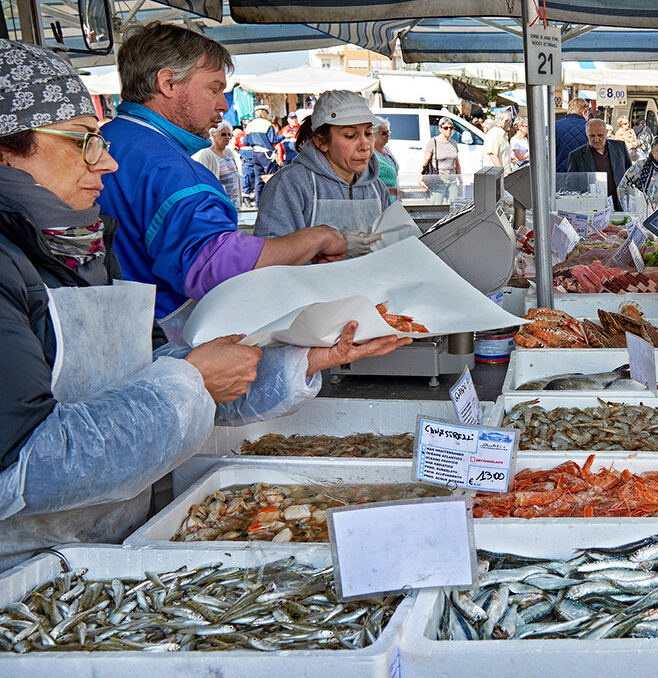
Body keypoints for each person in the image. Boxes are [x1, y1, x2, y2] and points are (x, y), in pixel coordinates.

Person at [0, 40, 406, 568]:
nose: (107, 162)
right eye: (83, 141)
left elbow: (138, 373)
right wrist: (191, 378)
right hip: (21, 585)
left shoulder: (76, 246)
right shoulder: (20, 257)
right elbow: (25, 463)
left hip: (97, 558)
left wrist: (304, 361)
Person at [99, 23, 348, 322]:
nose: (222, 105)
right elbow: (215, 266)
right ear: (167, 83)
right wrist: (315, 239)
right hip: (157, 339)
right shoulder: (172, 170)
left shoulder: (106, 140)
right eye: (214, 89)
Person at [255, 90, 412, 252]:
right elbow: (268, 256)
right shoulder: (290, 185)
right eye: (351, 135)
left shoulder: (377, 189)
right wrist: (324, 248)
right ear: (321, 141)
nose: (365, 146)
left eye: (367, 133)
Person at [565, 118, 633, 211]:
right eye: (592, 136)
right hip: (592, 207)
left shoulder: (620, 147)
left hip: (619, 204)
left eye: (600, 135)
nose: (596, 139)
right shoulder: (576, 156)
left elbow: (630, 173)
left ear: (606, 133)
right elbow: (571, 187)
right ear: (587, 135)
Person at [192, 121, 242, 205]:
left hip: (234, 203)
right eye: (223, 134)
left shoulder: (229, 152)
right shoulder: (207, 155)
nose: (227, 137)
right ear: (213, 135)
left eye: (229, 134)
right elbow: (204, 182)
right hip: (219, 205)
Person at [243, 106, 283, 204]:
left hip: (255, 153)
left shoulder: (250, 125)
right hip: (266, 154)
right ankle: (271, 201)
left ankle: (258, 202)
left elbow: (245, 142)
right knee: (270, 177)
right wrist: (283, 136)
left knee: (258, 178)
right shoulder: (267, 124)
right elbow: (272, 140)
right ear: (264, 113)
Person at [420, 116, 463, 202]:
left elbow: (457, 164)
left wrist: (461, 181)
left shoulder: (453, 143)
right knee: (436, 208)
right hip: (438, 181)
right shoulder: (433, 142)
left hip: (452, 181)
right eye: (446, 128)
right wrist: (420, 178)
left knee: (454, 209)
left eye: (451, 128)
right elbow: (425, 162)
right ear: (440, 129)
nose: (449, 130)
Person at [555, 98, 591, 171]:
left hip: (560, 175)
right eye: (588, 113)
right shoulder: (590, 128)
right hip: (584, 174)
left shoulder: (555, 126)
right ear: (584, 112)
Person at [372, 119, 399, 195]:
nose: (388, 135)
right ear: (373, 134)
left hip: (394, 199)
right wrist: (392, 191)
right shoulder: (371, 154)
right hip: (382, 199)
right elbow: (371, 184)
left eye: (388, 132)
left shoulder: (386, 148)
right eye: (384, 133)